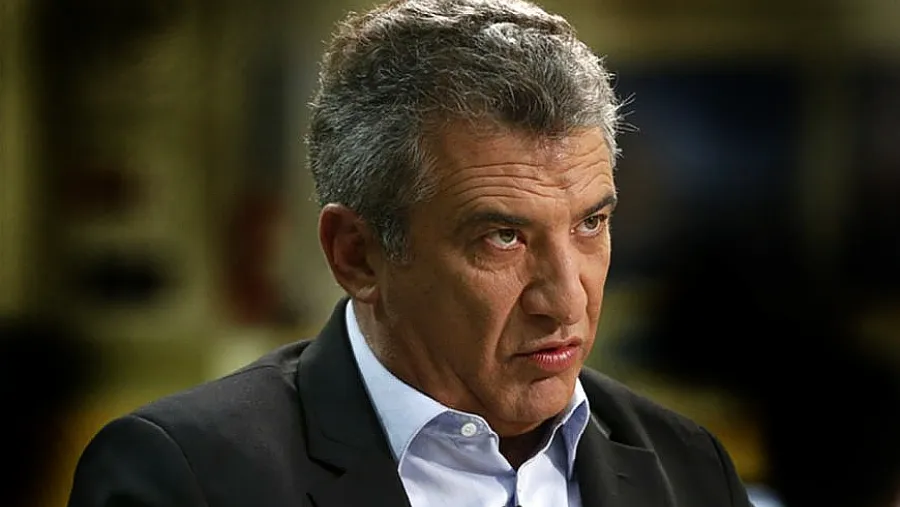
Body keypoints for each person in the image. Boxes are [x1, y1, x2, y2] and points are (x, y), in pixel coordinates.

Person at [67, 1, 753, 506]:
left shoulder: (688, 468)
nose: (566, 300)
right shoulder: (185, 478)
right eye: (503, 237)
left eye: (590, 224)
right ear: (357, 256)